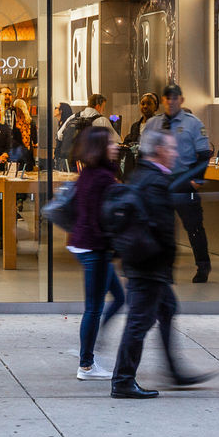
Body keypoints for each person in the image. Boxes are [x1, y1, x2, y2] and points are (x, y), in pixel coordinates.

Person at [110, 128, 212, 398]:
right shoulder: (153, 182)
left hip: (146, 264)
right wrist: (163, 261)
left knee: (166, 309)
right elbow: (158, 229)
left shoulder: (144, 175)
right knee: (139, 322)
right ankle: (122, 380)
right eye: (170, 148)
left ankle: (173, 371)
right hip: (149, 266)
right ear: (158, 151)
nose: (175, 152)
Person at [67, 126, 126, 380]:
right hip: (95, 248)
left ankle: (92, 345)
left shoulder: (91, 173)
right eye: (110, 143)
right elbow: (98, 219)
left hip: (87, 245)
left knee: (118, 298)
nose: (115, 146)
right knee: (93, 308)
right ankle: (86, 364)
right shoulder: (100, 178)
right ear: (100, 149)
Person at [146, 83, 213, 283]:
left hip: (184, 181)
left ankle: (203, 266)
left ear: (181, 100)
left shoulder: (193, 123)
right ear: (163, 100)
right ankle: (165, 269)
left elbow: (203, 154)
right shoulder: (153, 124)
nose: (171, 101)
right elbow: (145, 154)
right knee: (162, 228)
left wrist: (197, 181)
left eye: (175, 97)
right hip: (161, 182)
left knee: (193, 227)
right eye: (167, 97)